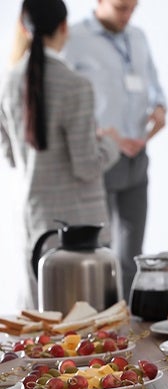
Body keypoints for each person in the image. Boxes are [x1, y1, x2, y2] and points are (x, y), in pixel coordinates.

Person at [0, 0, 121, 309]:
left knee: (42, 320)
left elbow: (11, 154)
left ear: (24, 27)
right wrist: (111, 144)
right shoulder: (75, 85)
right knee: (90, 328)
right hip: (79, 227)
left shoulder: (9, 82)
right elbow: (85, 166)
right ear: (64, 27)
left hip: (33, 216)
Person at [63, 0, 167, 300]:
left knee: (132, 251)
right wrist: (99, 132)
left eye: (133, 8)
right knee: (100, 249)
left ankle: (129, 322)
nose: (128, 15)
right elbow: (66, 101)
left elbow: (154, 85)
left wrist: (159, 108)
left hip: (137, 157)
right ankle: (99, 321)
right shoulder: (74, 38)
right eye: (121, 7)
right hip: (101, 157)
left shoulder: (137, 36)